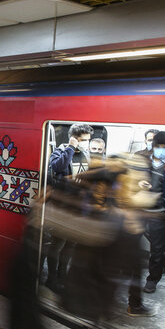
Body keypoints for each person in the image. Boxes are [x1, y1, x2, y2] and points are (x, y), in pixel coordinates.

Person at [45, 123, 93, 292]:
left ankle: (62, 276)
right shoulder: (62, 151)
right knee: (58, 244)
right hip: (63, 207)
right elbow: (57, 167)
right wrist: (71, 147)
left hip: (78, 207)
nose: (86, 143)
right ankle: (51, 279)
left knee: (70, 245)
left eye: (88, 140)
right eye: (83, 140)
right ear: (74, 138)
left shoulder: (86, 155)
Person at [143, 131, 165, 293]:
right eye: (158, 146)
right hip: (141, 209)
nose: (161, 149)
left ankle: (152, 279)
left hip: (160, 213)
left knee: (157, 249)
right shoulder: (144, 162)